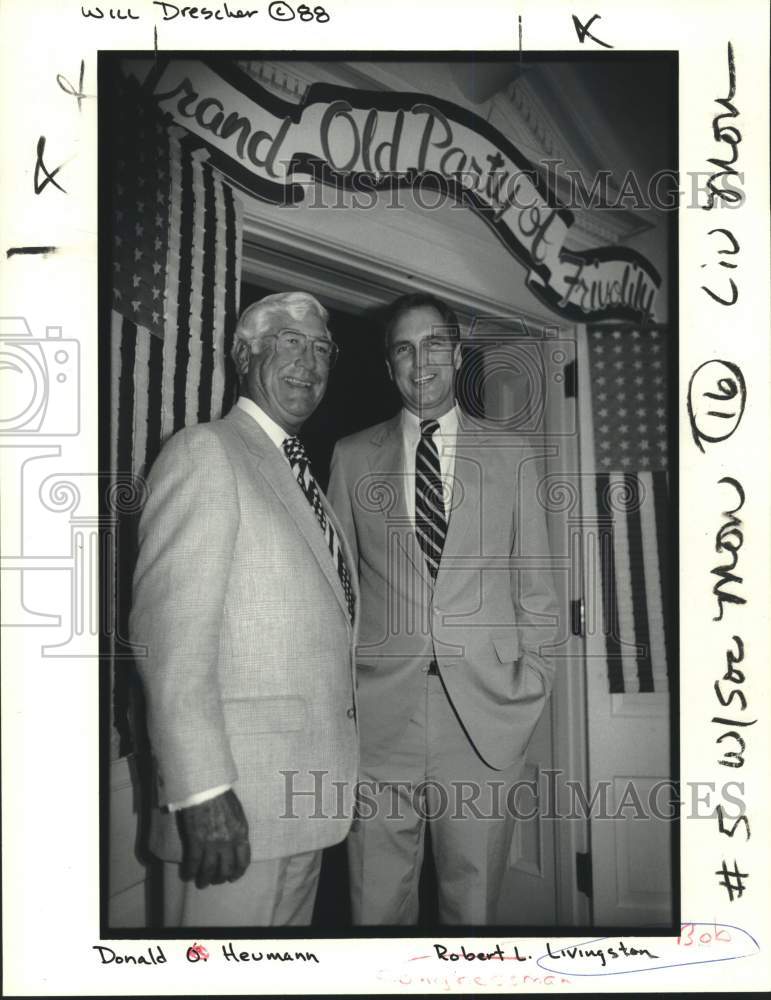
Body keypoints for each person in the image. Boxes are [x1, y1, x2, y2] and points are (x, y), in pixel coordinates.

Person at [327, 292, 558, 925]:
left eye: (432, 345)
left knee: (473, 909)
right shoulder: (350, 457)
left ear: (456, 355)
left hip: (485, 719)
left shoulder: (512, 455)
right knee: (374, 907)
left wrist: (532, 684)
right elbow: (336, 591)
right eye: (403, 349)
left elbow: (537, 590)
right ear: (389, 365)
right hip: (379, 721)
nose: (418, 361)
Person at [130, 291, 358, 927]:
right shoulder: (205, 452)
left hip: (301, 810)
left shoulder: (299, 475)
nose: (308, 362)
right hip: (231, 814)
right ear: (244, 354)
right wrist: (201, 789)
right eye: (289, 341)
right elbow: (168, 642)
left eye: (320, 349)